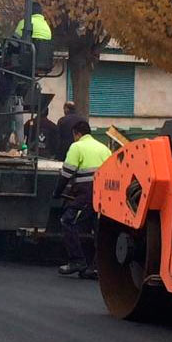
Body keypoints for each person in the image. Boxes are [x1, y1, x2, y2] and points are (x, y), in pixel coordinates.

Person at [54, 119, 110, 278]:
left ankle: (77, 260)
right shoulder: (104, 148)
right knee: (97, 229)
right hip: (104, 195)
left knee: (67, 220)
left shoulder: (77, 146)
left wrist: (57, 192)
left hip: (86, 194)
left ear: (76, 134)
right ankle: (95, 267)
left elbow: (66, 173)